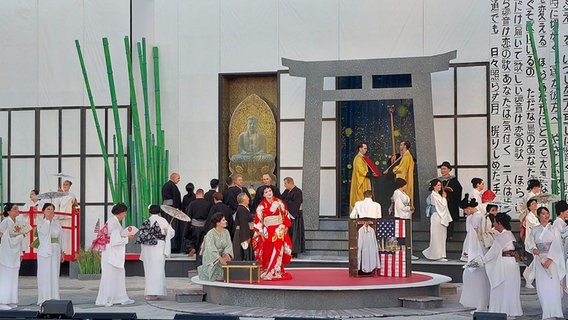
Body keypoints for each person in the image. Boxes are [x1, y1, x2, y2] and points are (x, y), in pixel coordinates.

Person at [525, 206, 565, 319]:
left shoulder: (554, 229)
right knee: (542, 286)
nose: (546, 215)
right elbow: (530, 243)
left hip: (552, 261)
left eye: (547, 213)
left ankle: (555, 311)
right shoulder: (535, 230)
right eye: (543, 213)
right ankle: (546, 311)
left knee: (553, 286)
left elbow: (557, 245)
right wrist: (534, 249)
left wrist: (550, 259)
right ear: (538, 216)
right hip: (540, 259)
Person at [95, 203, 135, 307]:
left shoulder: (112, 221)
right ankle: (108, 299)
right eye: (125, 212)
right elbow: (115, 241)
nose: (125, 214)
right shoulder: (114, 223)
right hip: (111, 253)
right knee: (110, 276)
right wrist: (127, 238)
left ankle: (119, 297)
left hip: (110, 252)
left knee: (115, 275)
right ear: (121, 212)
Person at [484, 213, 523, 318]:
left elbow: (493, 253)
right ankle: (509, 310)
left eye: (495, 222)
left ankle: (502, 310)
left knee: (503, 286)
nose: (494, 224)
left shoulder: (503, 235)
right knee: (510, 287)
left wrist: (481, 261)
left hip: (506, 263)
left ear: (499, 223)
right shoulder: (508, 234)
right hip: (511, 263)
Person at [252, 186, 293, 280]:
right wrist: (260, 232)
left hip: (279, 230)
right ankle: (268, 270)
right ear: (263, 195)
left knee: (278, 250)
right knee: (268, 251)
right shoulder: (261, 206)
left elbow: (285, 214)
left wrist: (286, 226)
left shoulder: (279, 202)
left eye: (270, 191)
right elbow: (258, 219)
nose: (269, 193)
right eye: (266, 192)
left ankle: (278, 271)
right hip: (267, 231)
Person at [137, 205, 175, 301]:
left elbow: (142, 235)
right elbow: (171, 233)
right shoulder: (163, 220)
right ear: (159, 212)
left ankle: (149, 293)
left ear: (150, 212)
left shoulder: (146, 221)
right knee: (158, 269)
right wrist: (166, 232)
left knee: (149, 269)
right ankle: (157, 291)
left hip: (147, 248)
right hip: (158, 246)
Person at [459, 195, 490, 312]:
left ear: (469, 208)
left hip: (475, 250)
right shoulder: (480, 216)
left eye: (465, 209)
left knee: (474, 276)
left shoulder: (474, 218)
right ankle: (481, 303)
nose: (465, 211)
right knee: (479, 277)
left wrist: (466, 251)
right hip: (478, 249)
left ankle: (480, 305)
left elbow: (473, 236)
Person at [36, 203, 64, 305]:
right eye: (48, 209)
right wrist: (48, 221)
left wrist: (62, 251)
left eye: (52, 209)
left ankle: (54, 296)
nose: (50, 211)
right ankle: (44, 297)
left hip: (56, 249)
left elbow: (61, 237)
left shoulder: (57, 224)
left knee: (54, 272)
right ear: (43, 211)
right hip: (45, 250)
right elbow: (44, 233)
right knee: (45, 274)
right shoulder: (41, 223)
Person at [0, 203, 27, 310]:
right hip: (6, 252)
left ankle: (12, 300)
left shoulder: (18, 223)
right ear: (9, 211)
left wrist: (21, 252)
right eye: (15, 208)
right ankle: (3, 300)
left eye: (17, 208)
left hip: (15, 253)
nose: (17, 210)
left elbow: (18, 240)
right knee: (5, 276)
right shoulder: (5, 222)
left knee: (13, 276)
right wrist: (20, 236)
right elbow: (3, 237)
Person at [350, 190, 381, 274]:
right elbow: (379, 218)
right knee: (372, 247)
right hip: (372, 227)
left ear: (364, 196)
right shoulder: (376, 205)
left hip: (360, 227)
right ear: (371, 196)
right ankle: (371, 267)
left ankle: (360, 267)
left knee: (361, 248)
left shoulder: (358, 204)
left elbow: (352, 216)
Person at [197, 213, 233, 281]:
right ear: (218, 223)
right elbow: (210, 248)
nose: (226, 221)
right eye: (223, 220)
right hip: (212, 257)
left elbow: (229, 245)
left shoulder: (226, 232)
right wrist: (219, 258)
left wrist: (227, 254)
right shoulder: (210, 233)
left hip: (222, 255)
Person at [422, 179, 452, 261]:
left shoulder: (437, 195)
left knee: (441, 236)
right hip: (437, 216)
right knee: (437, 236)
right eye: (438, 185)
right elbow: (441, 205)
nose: (440, 187)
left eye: (440, 185)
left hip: (439, 216)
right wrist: (444, 198)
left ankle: (439, 254)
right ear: (434, 186)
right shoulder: (433, 195)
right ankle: (436, 255)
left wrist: (443, 197)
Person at [438, 161, 463, 240]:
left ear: (449, 170)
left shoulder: (453, 180)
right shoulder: (439, 180)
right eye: (441, 169)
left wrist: (452, 191)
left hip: (451, 202)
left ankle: (450, 234)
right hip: (441, 202)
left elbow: (459, 189)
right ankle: (442, 234)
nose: (442, 171)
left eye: (444, 169)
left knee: (450, 218)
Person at [184, 189, 211, 257]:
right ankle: (201, 252)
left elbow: (189, 216)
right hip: (204, 225)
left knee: (193, 239)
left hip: (194, 224)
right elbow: (210, 216)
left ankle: (192, 248)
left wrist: (187, 228)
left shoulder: (192, 203)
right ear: (203, 195)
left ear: (196, 195)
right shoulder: (208, 204)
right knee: (202, 240)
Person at [281, 177, 304, 257]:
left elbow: (295, 204)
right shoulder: (287, 191)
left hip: (295, 216)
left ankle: (294, 252)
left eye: (285, 183)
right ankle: (287, 251)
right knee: (288, 234)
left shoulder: (298, 192)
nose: (284, 185)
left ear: (290, 183)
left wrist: (286, 202)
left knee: (294, 234)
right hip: (287, 215)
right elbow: (281, 199)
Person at [161, 172, 183, 253]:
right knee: (172, 227)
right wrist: (178, 209)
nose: (179, 180)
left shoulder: (165, 185)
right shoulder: (173, 186)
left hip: (165, 208)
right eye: (178, 178)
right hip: (172, 209)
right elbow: (176, 198)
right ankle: (173, 246)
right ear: (173, 178)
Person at [56, 180, 78, 255]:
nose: (65, 186)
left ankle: (67, 251)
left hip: (67, 217)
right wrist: (59, 195)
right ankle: (60, 251)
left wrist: (63, 194)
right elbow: (58, 203)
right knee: (60, 234)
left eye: (67, 184)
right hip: (60, 217)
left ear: (69, 186)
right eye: (64, 184)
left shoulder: (71, 195)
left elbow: (69, 201)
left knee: (67, 235)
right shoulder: (61, 194)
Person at [349, 143, 374, 211]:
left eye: (366, 148)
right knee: (360, 198)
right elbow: (361, 170)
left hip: (364, 180)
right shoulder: (358, 158)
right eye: (365, 148)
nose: (366, 150)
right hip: (361, 182)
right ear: (360, 149)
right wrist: (369, 174)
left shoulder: (362, 158)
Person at [522, 198, 539, 289]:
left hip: (536, 241)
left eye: (536, 203)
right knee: (533, 261)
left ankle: (530, 278)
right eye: (533, 204)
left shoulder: (536, 216)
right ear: (529, 207)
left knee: (535, 261)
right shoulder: (529, 217)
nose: (535, 205)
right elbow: (536, 227)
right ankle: (528, 279)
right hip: (531, 242)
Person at [232, 193, 254, 261]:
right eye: (247, 197)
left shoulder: (242, 209)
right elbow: (243, 224)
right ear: (243, 199)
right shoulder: (241, 209)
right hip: (242, 234)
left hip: (243, 233)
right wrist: (246, 238)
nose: (249, 199)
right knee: (243, 254)